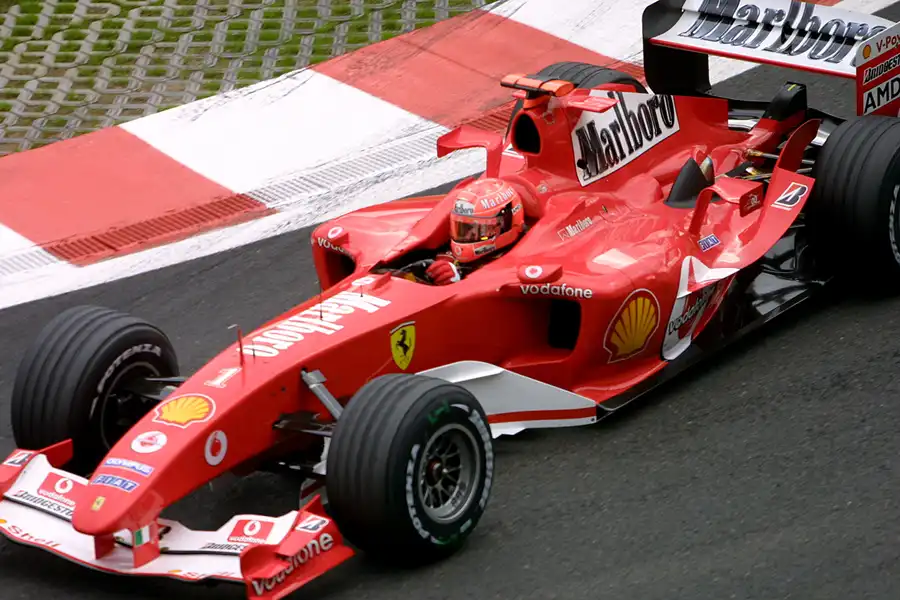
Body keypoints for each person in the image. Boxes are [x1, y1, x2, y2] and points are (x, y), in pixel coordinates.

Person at [426, 178, 527, 285]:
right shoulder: (449, 252)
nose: (468, 235)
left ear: (505, 223)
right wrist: (443, 266)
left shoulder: (523, 257)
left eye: (479, 229)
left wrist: (460, 277)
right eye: (462, 228)